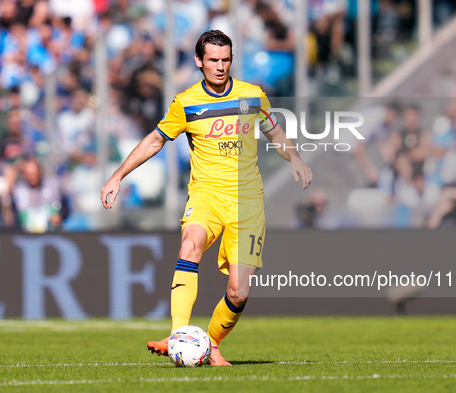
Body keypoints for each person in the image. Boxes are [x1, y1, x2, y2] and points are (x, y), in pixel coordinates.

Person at [100, 30, 312, 366]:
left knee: (238, 292)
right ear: (199, 61)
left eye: (225, 60)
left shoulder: (253, 95)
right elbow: (155, 141)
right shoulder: (186, 103)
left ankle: (210, 344)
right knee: (189, 245)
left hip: (247, 201)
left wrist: (295, 157)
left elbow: (276, 132)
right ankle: (178, 334)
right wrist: (117, 175)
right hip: (207, 195)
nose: (220, 66)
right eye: (213, 60)